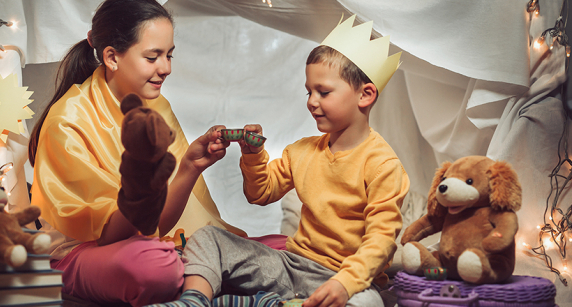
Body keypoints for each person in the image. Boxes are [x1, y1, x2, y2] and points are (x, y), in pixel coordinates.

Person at [155, 15, 409, 307]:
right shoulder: (301, 151)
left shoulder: (384, 166)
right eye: (309, 91)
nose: (311, 101)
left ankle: (266, 302)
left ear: (365, 95)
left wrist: (344, 284)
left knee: (370, 304)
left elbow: (381, 240)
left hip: (343, 279)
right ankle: (195, 301)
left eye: (323, 92)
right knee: (208, 237)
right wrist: (253, 157)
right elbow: (260, 193)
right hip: (290, 266)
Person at [27, 0, 246, 306]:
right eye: (153, 57)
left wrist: (190, 167)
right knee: (156, 266)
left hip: (145, 242)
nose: (166, 68)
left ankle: (194, 268)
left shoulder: (156, 107)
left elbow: (157, 225)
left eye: (169, 55)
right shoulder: (67, 121)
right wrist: (141, 184)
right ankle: (195, 270)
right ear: (112, 57)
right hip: (84, 253)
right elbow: (108, 235)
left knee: (268, 248)